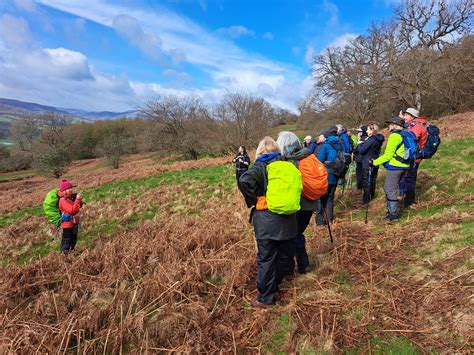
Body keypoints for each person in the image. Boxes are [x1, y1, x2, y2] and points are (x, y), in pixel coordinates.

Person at [238, 137, 300, 308]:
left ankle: (266, 298)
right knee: (282, 255)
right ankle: (277, 284)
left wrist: (254, 200)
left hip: (267, 221)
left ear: (260, 152)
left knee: (266, 259)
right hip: (289, 219)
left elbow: (244, 181)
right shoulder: (290, 165)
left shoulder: (260, 165)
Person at [277, 131, 328, 275]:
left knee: (291, 235)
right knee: (298, 233)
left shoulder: (289, 163)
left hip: (297, 204)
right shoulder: (309, 155)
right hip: (311, 203)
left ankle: (289, 270)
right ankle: (304, 265)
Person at [370, 117, 410, 221]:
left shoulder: (395, 136)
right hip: (405, 165)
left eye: (390, 124)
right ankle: (392, 212)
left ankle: (393, 215)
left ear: (395, 125)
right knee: (393, 188)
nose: (389, 126)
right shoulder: (405, 134)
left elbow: (388, 155)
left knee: (390, 189)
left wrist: (374, 162)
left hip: (395, 167)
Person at [399, 108, 428, 207]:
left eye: (406, 115)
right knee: (407, 177)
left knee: (410, 179)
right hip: (412, 156)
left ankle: (409, 201)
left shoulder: (417, 126)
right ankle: (405, 197)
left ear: (412, 116)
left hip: (414, 158)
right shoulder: (413, 125)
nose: (404, 117)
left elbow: (411, 138)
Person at [316, 126, 342, 225]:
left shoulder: (326, 145)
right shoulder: (340, 144)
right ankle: (330, 220)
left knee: (320, 199)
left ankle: (319, 222)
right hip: (336, 175)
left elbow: (319, 161)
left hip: (325, 176)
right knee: (330, 198)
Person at [357, 124, 384, 204]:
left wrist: (359, 144)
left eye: (368, 129)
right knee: (372, 180)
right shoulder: (378, 139)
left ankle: (366, 200)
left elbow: (362, 151)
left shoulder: (371, 139)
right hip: (375, 161)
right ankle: (371, 196)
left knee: (367, 181)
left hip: (367, 162)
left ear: (372, 130)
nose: (366, 131)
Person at [58, 179, 83, 254]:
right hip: (67, 225)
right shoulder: (63, 200)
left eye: (71, 188)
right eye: (68, 188)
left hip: (74, 223)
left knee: (73, 239)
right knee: (67, 241)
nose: (71, 190)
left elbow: (77, 207)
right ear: (64, 191)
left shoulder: (70, 198)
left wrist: (79, 201)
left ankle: (72, 252)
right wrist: (78, 199)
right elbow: (72, 210)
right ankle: (64, 256)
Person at [354, 125, 368, 190]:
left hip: (360, 159)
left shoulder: (362, 139)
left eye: (360, 132)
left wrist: (358, 142)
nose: (358, 133)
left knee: (359, 174)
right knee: (364, 173)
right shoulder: (368, 138)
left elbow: (358, 150)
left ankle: (359, 187)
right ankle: (363, 187)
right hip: (365, 159)